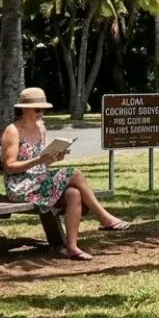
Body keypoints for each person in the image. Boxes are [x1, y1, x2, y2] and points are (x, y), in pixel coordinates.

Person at [1, 87, 130, 261]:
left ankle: (72, 247)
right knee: (74, 173)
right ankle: (104, 217)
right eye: (37, 109)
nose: (41, 113)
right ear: (24, 109)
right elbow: (9, 167)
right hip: (21, 186)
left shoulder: (41, 128)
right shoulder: (12, 131)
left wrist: (54, 157)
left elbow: (43, 162)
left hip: (40, 181)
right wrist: (39, 160)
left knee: (73, 194)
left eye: (44, 109)